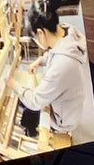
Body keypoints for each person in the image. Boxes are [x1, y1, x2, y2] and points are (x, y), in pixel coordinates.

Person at [18, 7, 88, 137]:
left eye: (36, 39)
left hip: (64, 120)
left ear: (40, 33)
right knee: (29, 96)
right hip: (71, 107)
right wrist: (40, 60)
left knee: (29, 106)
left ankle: (33, 132)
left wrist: (14, 85)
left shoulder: (62, 65)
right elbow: (54, 53)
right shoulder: (67, 32)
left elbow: (35, 101)